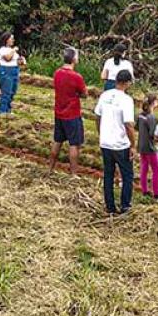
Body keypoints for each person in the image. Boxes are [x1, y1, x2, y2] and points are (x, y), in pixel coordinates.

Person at [95, 69, 137, 215]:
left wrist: (101, 133)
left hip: (105, 142)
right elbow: (129, 125)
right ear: (127, 83)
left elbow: (97, 116)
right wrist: (133, 144)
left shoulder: (105, 95)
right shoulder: (126, 100)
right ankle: (125, 206)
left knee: (108, 174)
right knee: (127, 175)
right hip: (120, 144)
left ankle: (110, 206)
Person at [50, 47, 88, 175]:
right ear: (74, 59)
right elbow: (85, 94)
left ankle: (50, 168)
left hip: (59, 112)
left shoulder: (57, 73)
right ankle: (73, 173)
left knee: (57, 141)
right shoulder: (77, 77)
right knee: (74, 144)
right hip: (72, 114)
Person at [138, 94, 158, 198]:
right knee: (156, 170)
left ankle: (144, 190)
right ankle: (156, 193)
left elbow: (137, 127)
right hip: (150, 147)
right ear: (153, 103)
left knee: (144, 168)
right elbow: (153, 134)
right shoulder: (151, 117)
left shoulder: (141, 115)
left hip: (141, 145)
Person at [0, 33, 23, 116]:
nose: (13, 40)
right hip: (6, 71)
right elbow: (8, 58)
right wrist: (14, 50)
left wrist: (21, 61)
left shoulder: (12, 51)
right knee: (6, 92)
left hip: (15, 71)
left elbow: (17, 61)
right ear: (6, 39)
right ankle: (2, 111)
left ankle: (8, 110)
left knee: (12, 92)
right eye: (11, 38)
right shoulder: (3, 50)